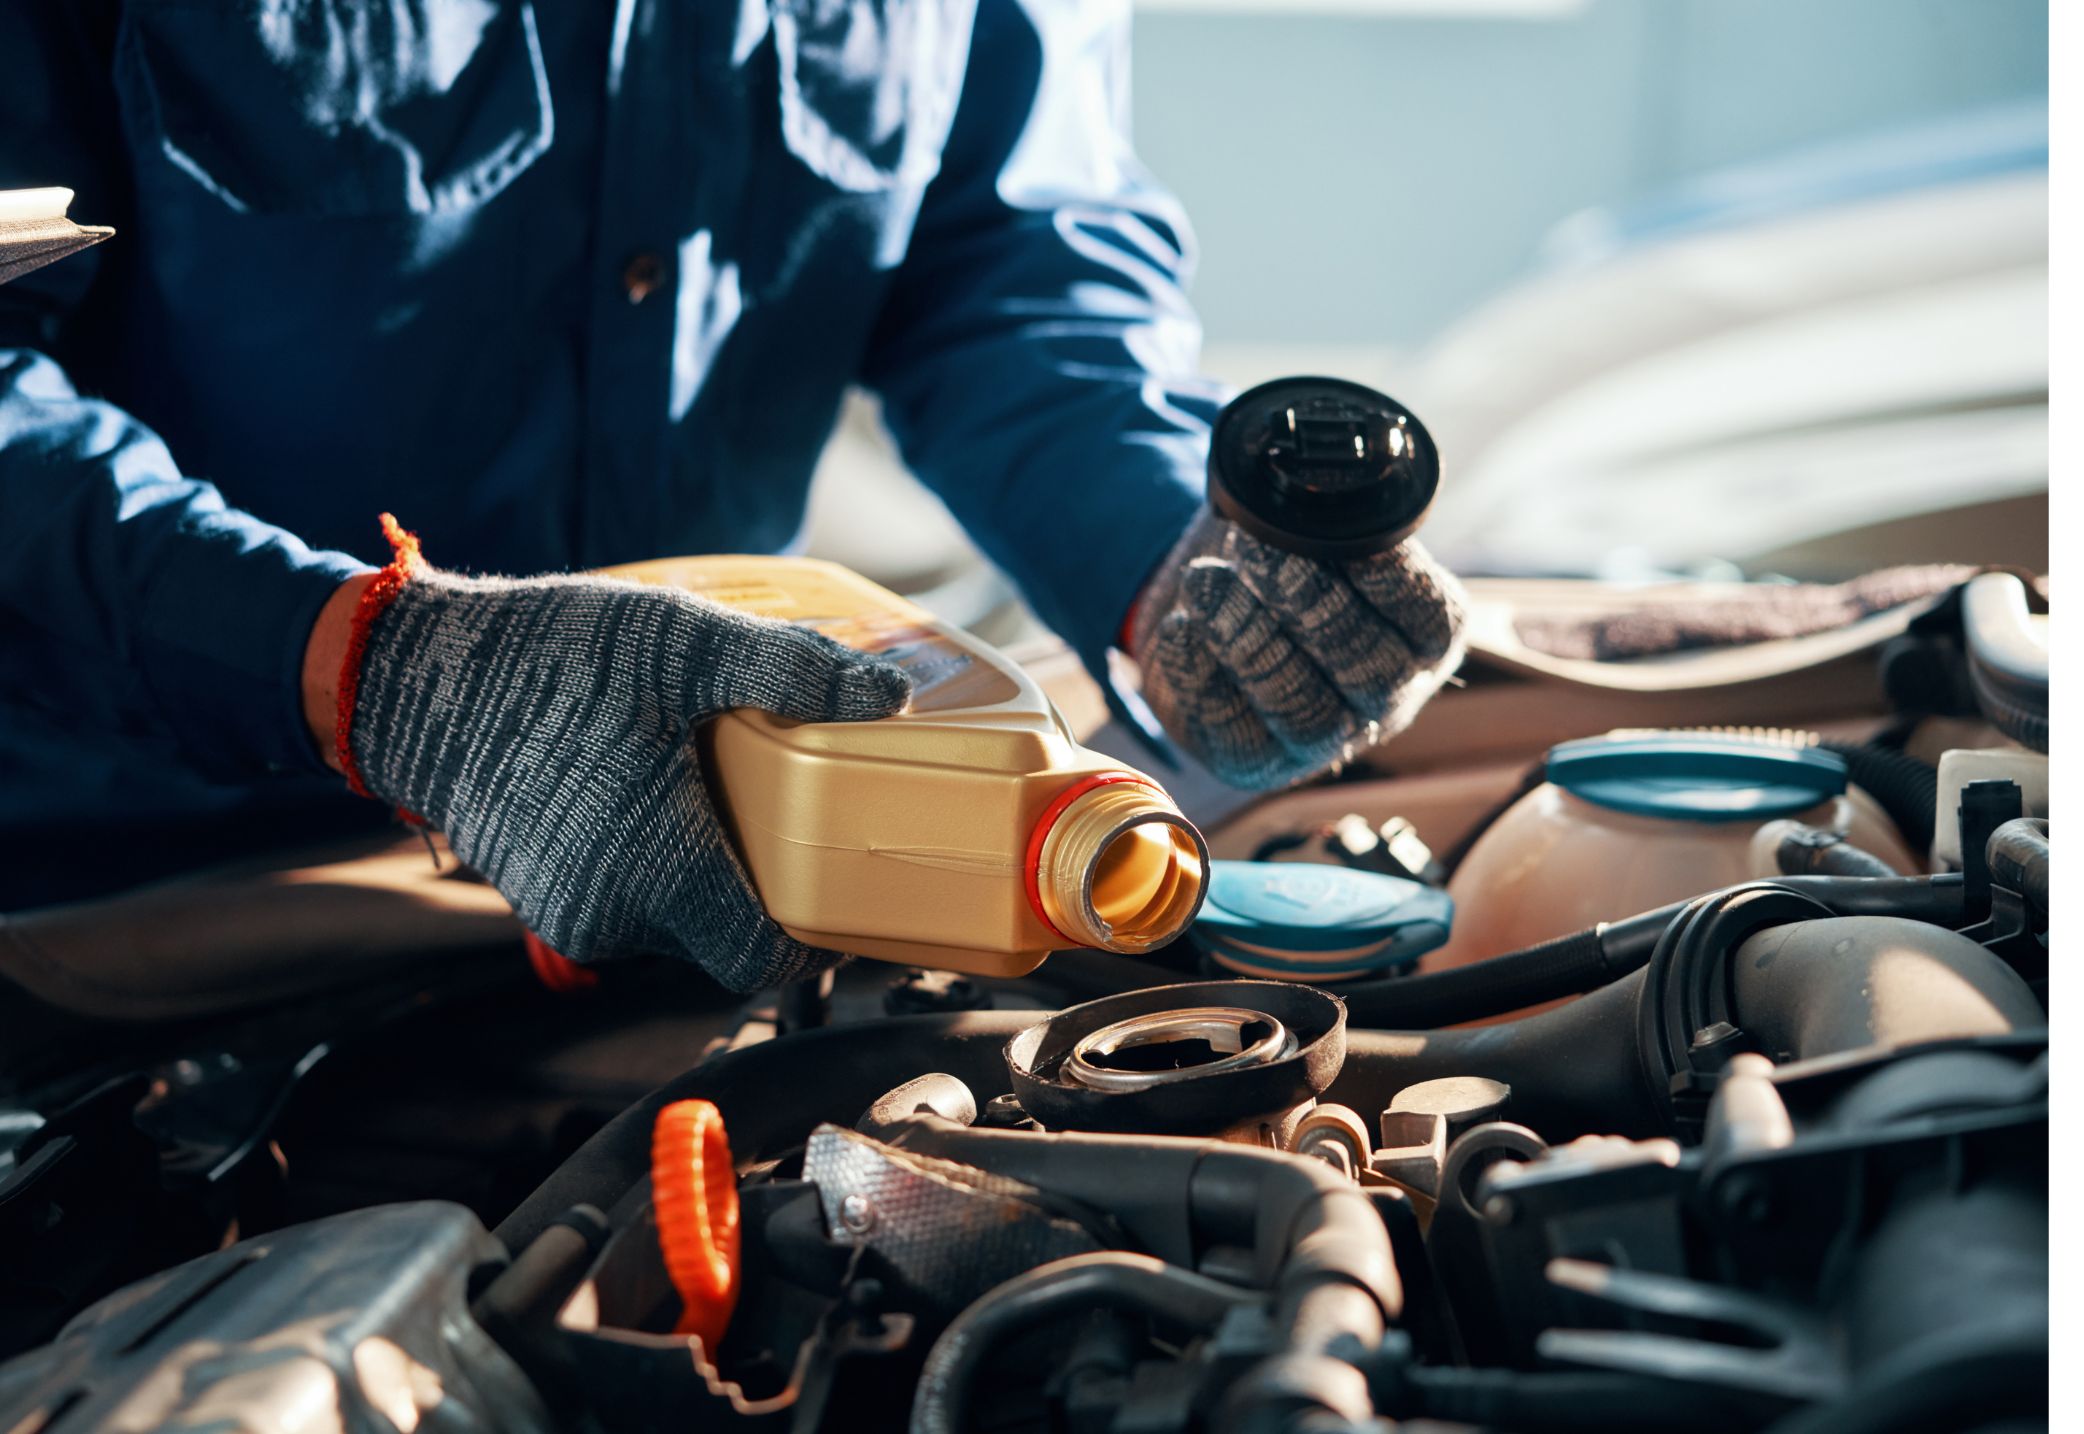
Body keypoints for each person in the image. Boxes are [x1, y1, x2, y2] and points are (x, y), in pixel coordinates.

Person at [0, 0, 1464, 991]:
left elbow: (1002, 255)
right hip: (122, 912)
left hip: (701, 859)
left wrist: (1163, 566)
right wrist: (370, 667)